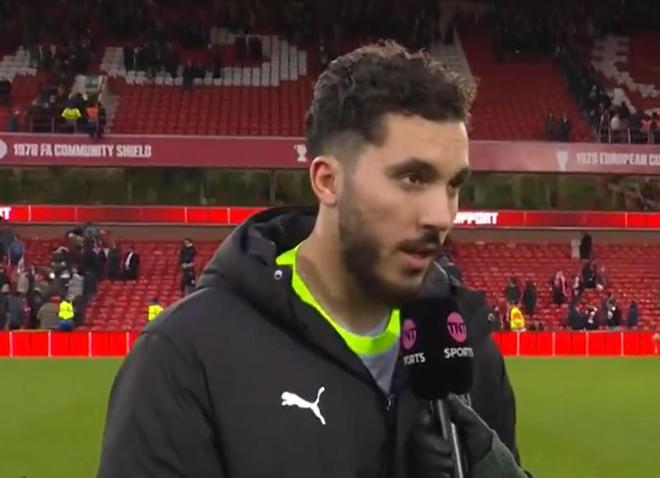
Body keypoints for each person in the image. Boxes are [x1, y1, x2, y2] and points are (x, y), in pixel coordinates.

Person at [98, 41, 529, 477]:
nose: (440, 216)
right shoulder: (187, 355)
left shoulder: (465, 345)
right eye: (412, 178)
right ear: (327, 181)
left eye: (453, 185)